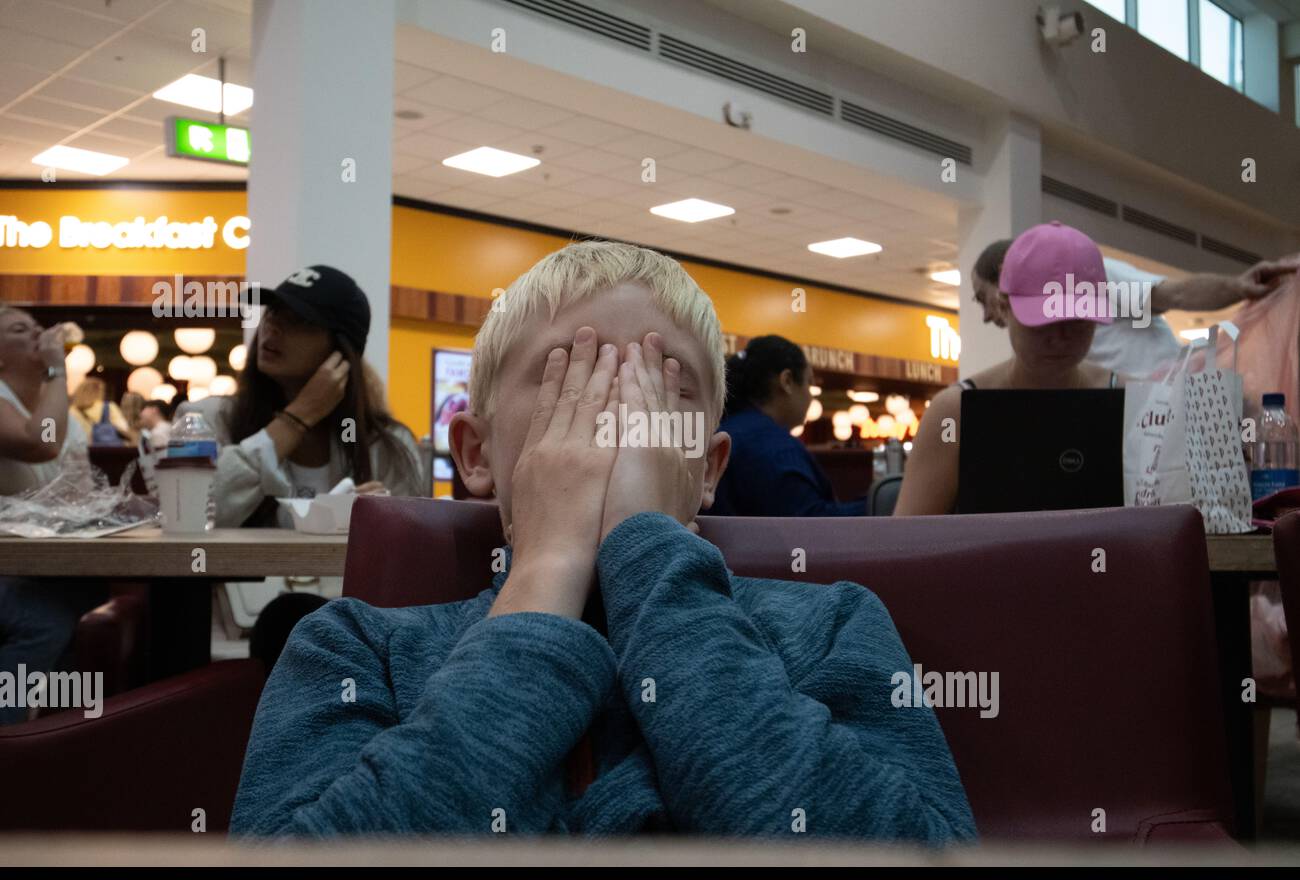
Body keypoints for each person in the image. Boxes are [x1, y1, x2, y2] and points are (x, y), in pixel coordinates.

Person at [230, 241, 976, 841]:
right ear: (478, 456)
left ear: (709, 469)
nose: (620, 417)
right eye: (572, 379)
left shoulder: (833, 627)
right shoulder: (354, 647)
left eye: (662, 388)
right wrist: (548, 572)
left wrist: (646, 550)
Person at [175, 265, 422, 671]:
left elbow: (412, 571)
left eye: (300, 322)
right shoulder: (206, 419)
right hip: (222, 647)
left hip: (347, 653)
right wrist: (296, 418)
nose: (273, 329)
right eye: (272, 314)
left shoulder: (387, 447)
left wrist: (380, 521)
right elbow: (192, 513)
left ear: (340, 353)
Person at [896, 222, 1121, 517]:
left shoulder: (1129, 400)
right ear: (1004, 307)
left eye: (1077, 320)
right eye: (1044, 321)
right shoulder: (955, 412)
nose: (1060, 336)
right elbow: (906, 543)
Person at [974, 236, 1299, 378]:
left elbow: (1173, 295)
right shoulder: (1031, 335)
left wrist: (1238, 286)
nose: (987, 315)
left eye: (980, 297)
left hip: (1160, 415)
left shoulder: (1086, 278)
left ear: (1004, 271)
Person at [0, 308, 102, 724]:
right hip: (8, 569)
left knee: (87, 604)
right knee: (45, 619)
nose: (40, 335)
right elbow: (39, 442)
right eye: (20, 330)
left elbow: (81, 494)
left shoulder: (57, 409)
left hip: (41, 566)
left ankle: (60, 742)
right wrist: (57, 369)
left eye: (40, 328)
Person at [707, 334, 866, 516]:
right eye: (809, 383)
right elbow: (810, 526)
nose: (811, 395)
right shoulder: (776, 448)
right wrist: (885, 502)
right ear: (787, 381)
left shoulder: (723, 431)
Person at [69, 378, 133, 445]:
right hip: (103, 451)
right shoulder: (109, 407)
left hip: (81, 448)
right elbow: (124, 428)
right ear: (100, 392)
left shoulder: (72, 411)